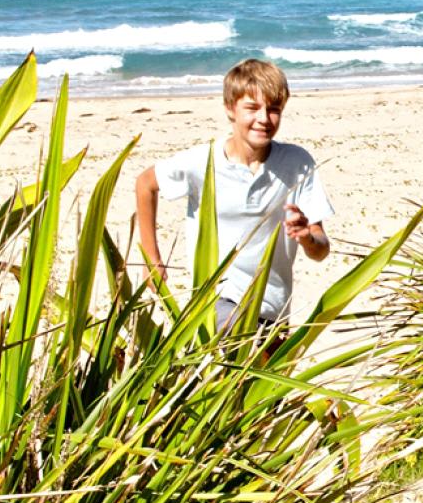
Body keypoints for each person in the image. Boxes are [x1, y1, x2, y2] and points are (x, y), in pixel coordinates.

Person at [134, 58, 334, 330]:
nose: (264, 119)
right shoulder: (202, 161)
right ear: (230, 109)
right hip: (215, 302)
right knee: (233, 330)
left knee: (258, 366)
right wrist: (152, 258)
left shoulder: (298, 163)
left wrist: (307, 237)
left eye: (274, 109)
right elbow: (145, 184)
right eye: (252, 108)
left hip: (272, 309)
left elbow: (321, 250)